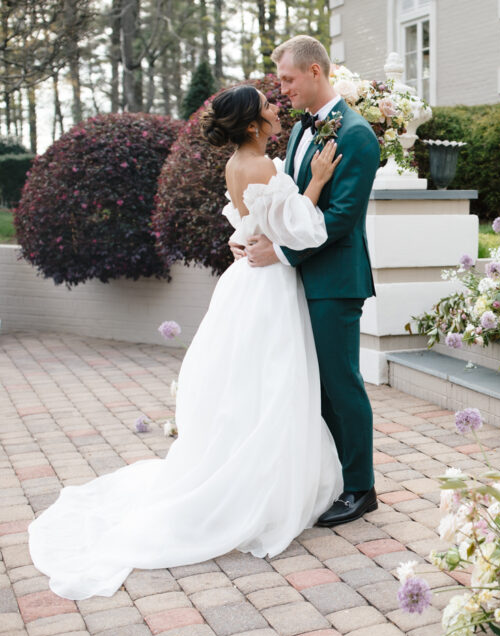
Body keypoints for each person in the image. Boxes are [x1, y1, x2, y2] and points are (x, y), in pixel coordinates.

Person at [28, 85, 344, 600]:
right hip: (267, 285)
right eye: (266, 106)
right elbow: (301, 229)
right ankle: (258, 489)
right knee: (274, 381)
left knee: (248, 384)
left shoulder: (237, 164)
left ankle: (247, 471)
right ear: (251, 125)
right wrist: (318, 182)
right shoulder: (263, 167)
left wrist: (245, 233)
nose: (274, 108)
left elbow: (247, 224)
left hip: (244, 281)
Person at [239, 35, 380, 527]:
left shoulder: (358, 136)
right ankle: (334, 478)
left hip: (336, 280)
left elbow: (340, 217)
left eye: (288, 79)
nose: (282, 90)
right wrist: (252, 236)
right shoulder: (301, 129)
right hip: (300, 278)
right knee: (314, 385)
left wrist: (278, 252)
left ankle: (361, 488)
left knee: (341, 383)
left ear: (316, 72)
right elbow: (295, 203)